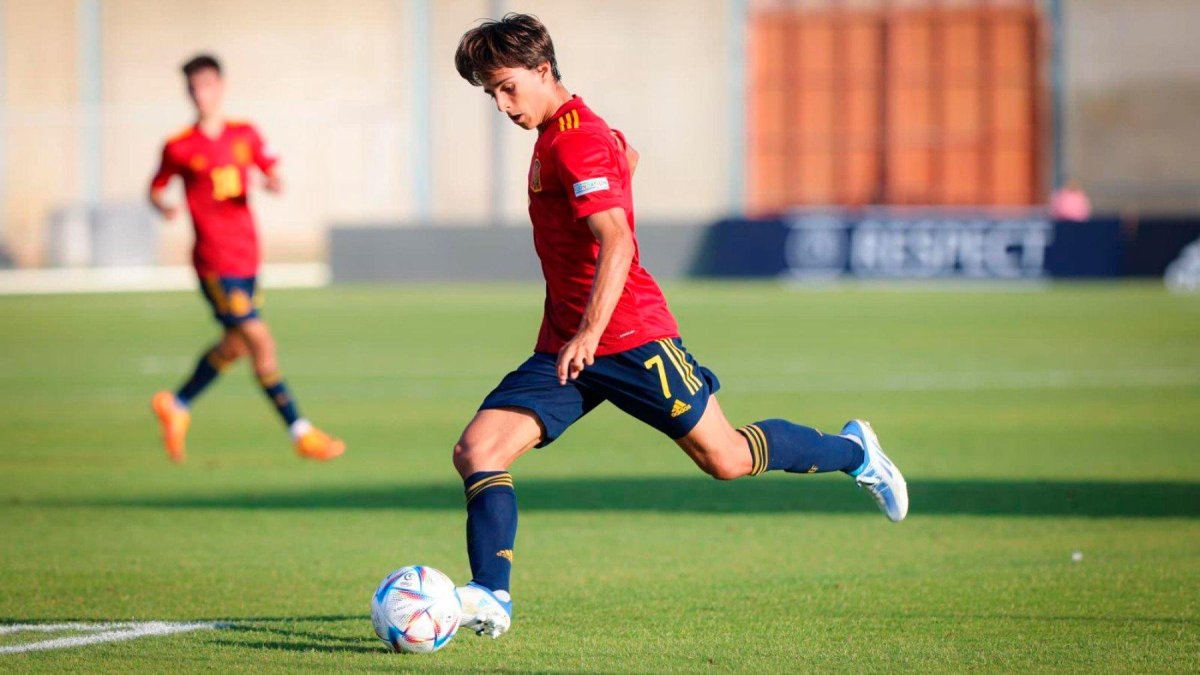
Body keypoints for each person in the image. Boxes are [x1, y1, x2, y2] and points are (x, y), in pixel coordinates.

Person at [448, 14, 909, 639]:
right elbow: (627, 157)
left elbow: (615, 240)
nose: (502, 104)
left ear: (543, 68)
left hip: (631, 337)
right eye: (489, 93)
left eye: (506, 86)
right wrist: (578, 332)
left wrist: (590, 330)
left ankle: (857, 453)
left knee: (727, 459)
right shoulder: (572, 132)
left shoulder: (575, 139)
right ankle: (490, 596)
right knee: (478, 450)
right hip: (569, 344)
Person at [148, 54, 344, 464]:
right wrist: (162, 206)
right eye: (193, 87)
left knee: (235, 345)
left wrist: (273, 181)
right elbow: (156, 186)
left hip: (247, 259)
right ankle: (300, 431)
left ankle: (177, 404)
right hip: (214, 262)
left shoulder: (246, 134)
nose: (200, 94)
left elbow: (272, 170)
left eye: (206, 84)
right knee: (260, 340)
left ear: (220, 86)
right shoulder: (178, 145)